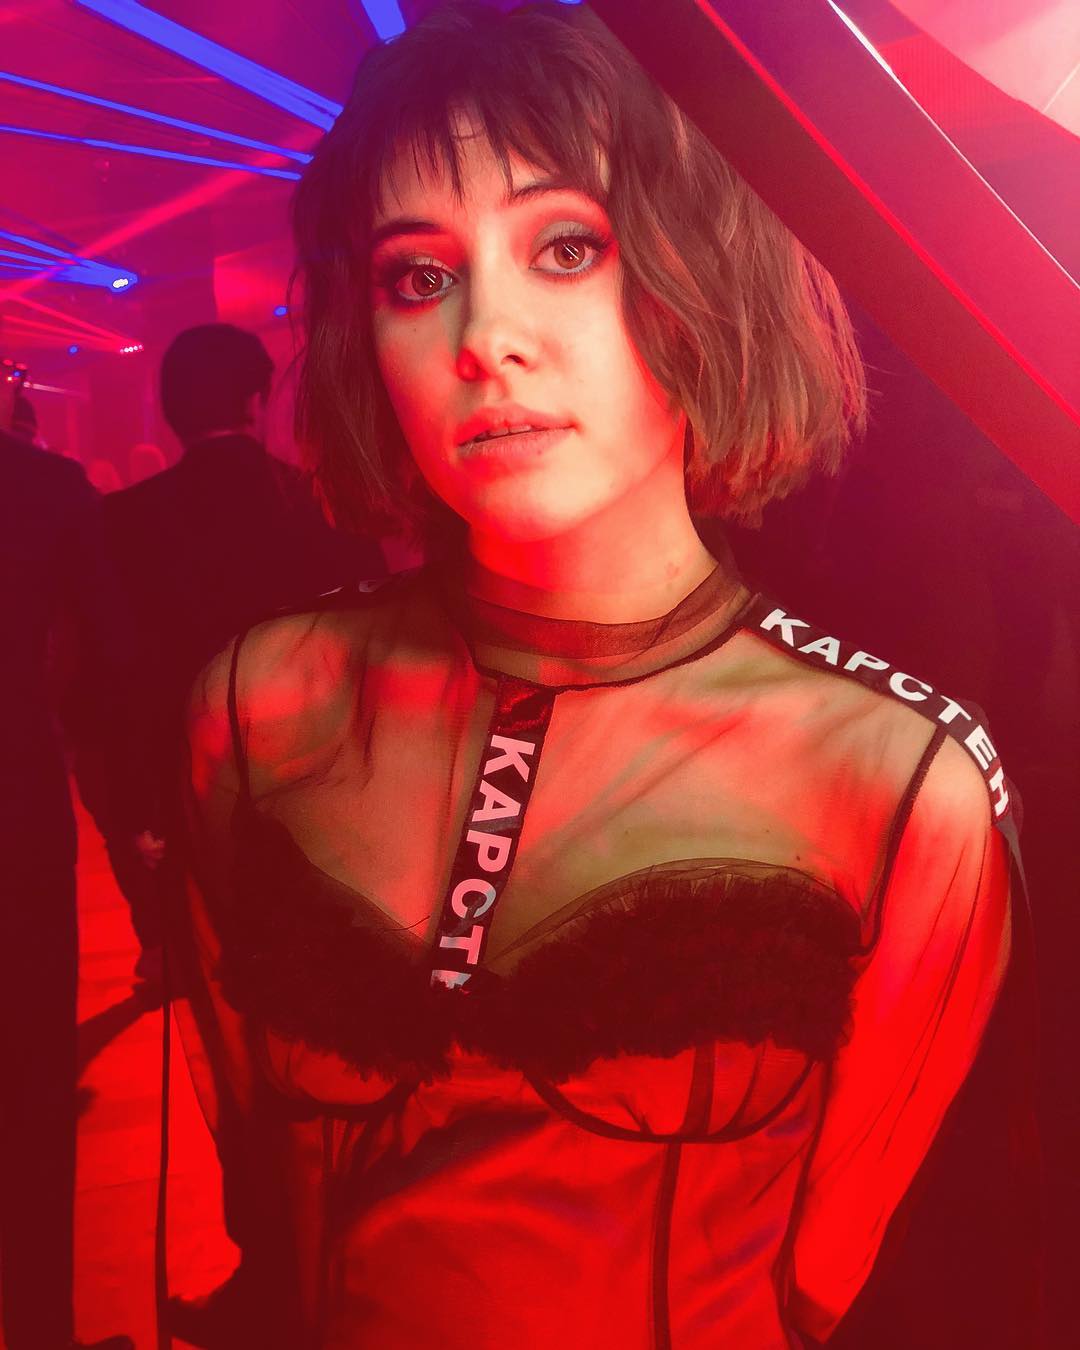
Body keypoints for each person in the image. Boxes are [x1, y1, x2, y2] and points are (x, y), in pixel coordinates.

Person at [178, 4, 1017, 1346]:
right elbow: (251, 1177)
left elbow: (826, 1278)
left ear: (706, 274)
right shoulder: (260, 703)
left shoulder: (898, 780)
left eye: (566, 246)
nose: (486, 337)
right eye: (418, 275)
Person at [87, 321, 383, 1343]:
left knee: (237, 1057)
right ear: (260, 404)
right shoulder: (317, 508)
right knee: (340, 1042)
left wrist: (140, 825)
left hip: (198, 822)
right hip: (328, 820)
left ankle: (269, 1270)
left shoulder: (123, 527)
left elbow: (112, 692)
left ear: (170, 414)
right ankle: (350, 1254)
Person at [0, 372, 133, 1350]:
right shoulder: (42, 489)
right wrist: (138, 824)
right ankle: (41, 1325)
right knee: (31, 1081)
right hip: (13, 800)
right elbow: (104, 667)